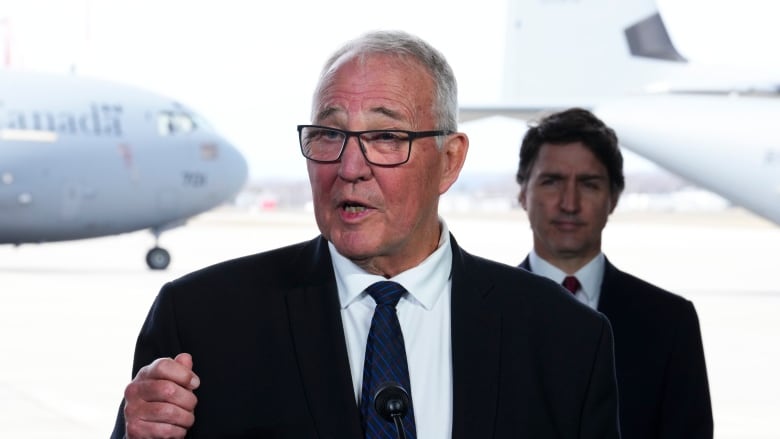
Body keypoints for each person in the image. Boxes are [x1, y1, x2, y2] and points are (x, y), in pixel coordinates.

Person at [111, 31, 620, 439]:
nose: (349, 166)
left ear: (449, 161)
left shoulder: (566, 338)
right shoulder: (202, 321)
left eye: (385, 136)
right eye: (330, 134)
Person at [516, 107, 713, 438]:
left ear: (614, 198)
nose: (569, 203)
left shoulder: (670, 322)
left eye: (589, 184)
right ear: (523, 192)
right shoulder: (475, 314)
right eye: (552, 182)